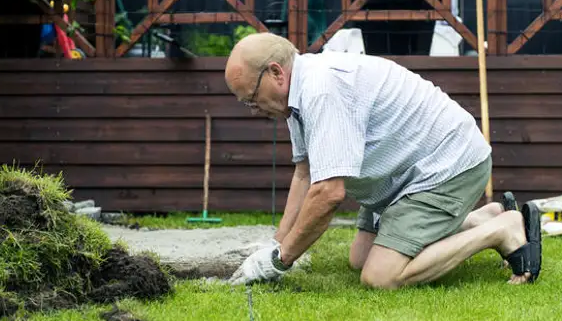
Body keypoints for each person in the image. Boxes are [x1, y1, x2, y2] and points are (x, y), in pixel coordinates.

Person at [224, 32, 542, 289]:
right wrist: (275, 244)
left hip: (446, 166)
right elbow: (304, 175)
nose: (253, 109)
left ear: (276, 72)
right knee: (361, 258)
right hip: (402, 176)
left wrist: (281, 260)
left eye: (251, 98)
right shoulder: (296, 97)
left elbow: (329, 193)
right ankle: (483, 218)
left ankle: (500, 230)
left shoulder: (321, 90)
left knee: (381, 276)